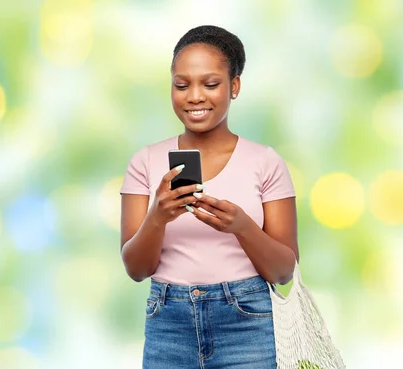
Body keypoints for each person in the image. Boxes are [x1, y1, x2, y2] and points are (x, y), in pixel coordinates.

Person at [119, 25, 299, 369]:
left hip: (248, 322)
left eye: (211, 84)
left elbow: (283, 271)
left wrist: (242, 227)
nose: (195, 96)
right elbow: (136, 269)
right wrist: (157, 216)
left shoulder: (265, 162)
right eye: (182, 85)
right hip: (168, 324)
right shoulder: (145, 162)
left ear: (234, 86)